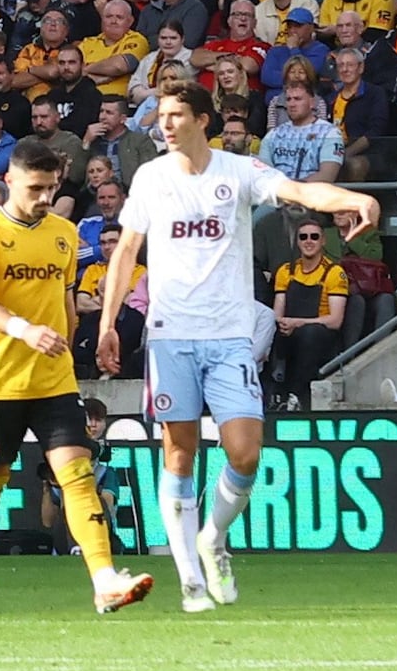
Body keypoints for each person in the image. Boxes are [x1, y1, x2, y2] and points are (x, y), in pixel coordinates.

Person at [96, 77, 381, 615]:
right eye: (162, 115)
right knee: (179, 454)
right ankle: (189, 582)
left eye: (177, 114)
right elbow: (126, 250)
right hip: (171, 335)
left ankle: (214, 539)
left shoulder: (238, 171)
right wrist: (109, 322)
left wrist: (352, 196)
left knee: (245, 451)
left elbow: (301, 192)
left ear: (204, 119)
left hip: (229, 336)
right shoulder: (151, 178)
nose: (166, 123)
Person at [0, 134, 155, 619]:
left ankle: (104, 581)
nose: (44, 198)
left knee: (78, 477)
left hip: (55, 381)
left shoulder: (64, 234)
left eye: (52, 188)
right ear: (10, 180)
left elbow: (64, 304)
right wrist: (24, 330)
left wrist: (85, 340)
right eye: (36, 188)